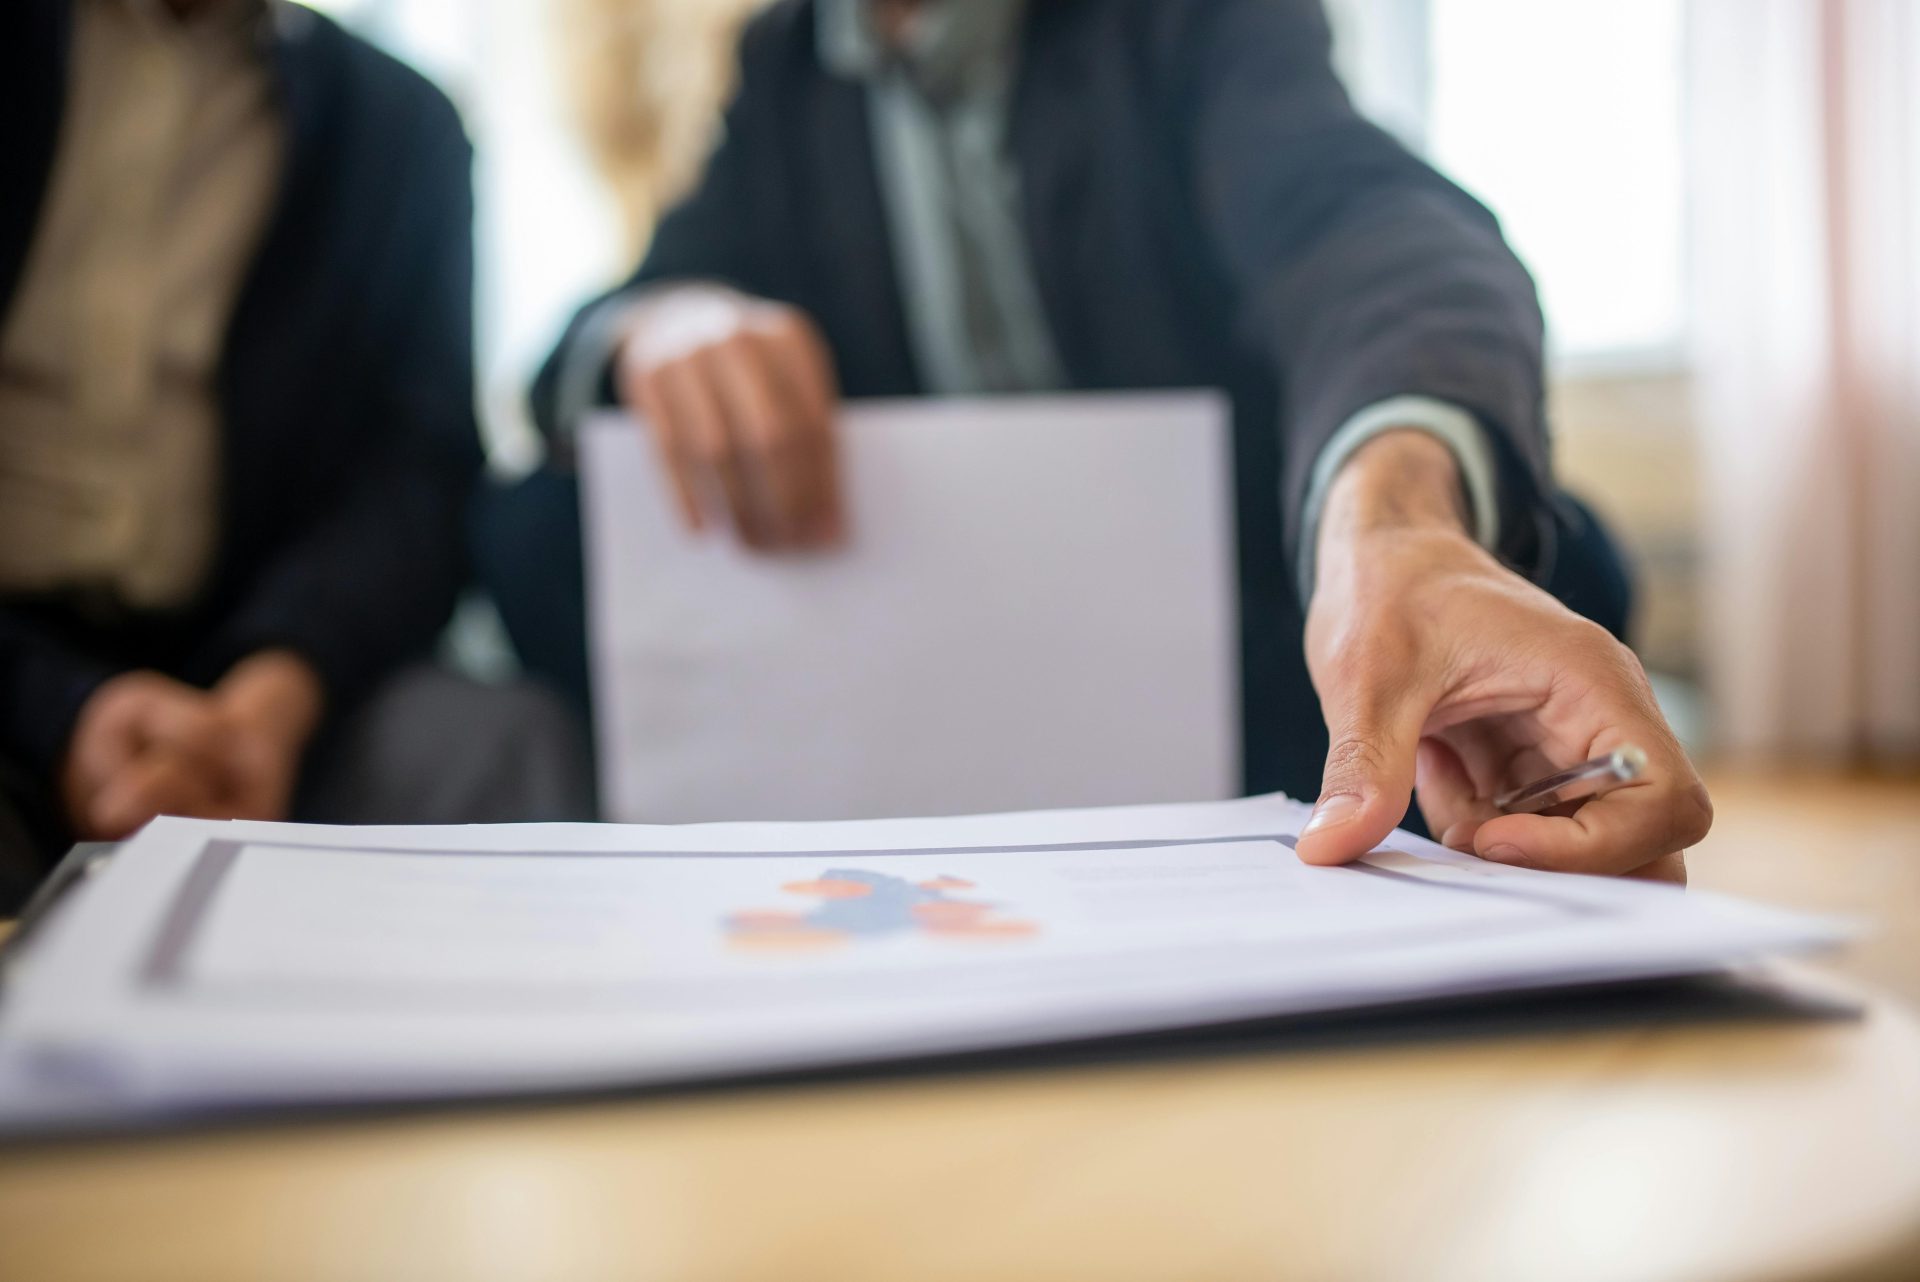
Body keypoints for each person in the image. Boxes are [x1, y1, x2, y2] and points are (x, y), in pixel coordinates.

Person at [516, 0, 1709, 881]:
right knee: (524, 528)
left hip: (1221, 618)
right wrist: (665, 321)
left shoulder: (1185, 24)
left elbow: (1367, 230)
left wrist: (1393, 518)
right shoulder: (787, 67)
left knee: (1558, 558)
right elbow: (607, 319)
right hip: (930, 641)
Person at [0, 0, 592, 913]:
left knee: (495, 747)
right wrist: (56, 707)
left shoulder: (404, 130)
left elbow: (416, 480)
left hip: (257, 679)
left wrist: (278, 691)